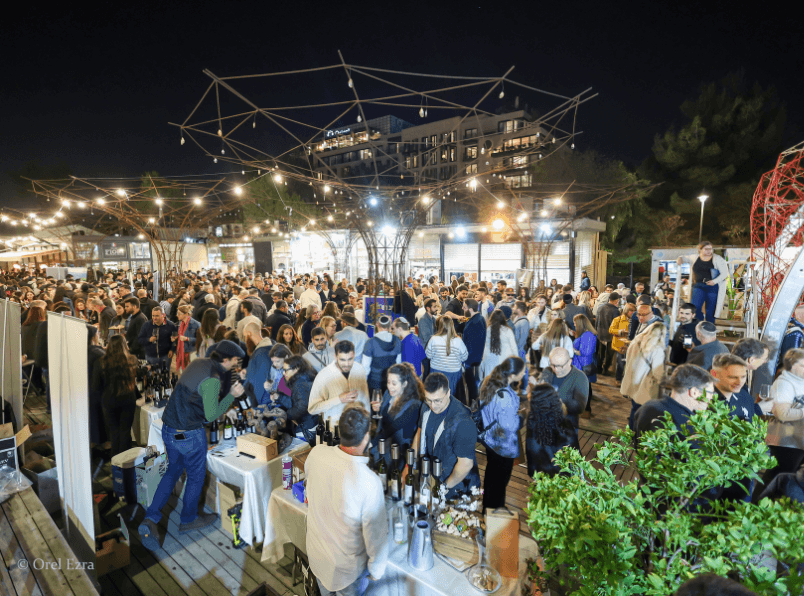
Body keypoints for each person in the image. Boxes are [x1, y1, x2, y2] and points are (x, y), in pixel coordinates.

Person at [139, 340, 245, 550]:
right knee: (196, 476)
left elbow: (196, 396)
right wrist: (232, 396)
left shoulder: (199, 363)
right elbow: (210, 415)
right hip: (189, 433)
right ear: (225, 359)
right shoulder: (213, 379)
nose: (237, 364)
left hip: (170, 429)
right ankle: (188, 519)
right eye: (235, 360)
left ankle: (150, 517)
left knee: (172, 472)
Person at [306, 404, 388, 596]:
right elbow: (376, 537)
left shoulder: (317, 453)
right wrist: (376, 571)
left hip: (317, 556)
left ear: (339, 430)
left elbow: (309, 492)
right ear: (366, 437)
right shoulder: (369, 482)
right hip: (346, 571)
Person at [405, 373, 480, 499]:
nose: (433, 406)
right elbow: (420, 432)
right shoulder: (426, 405)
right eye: (429, 400)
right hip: (433, 475)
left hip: (458, 486)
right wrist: (409, 465)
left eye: (438, 401)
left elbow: (465, 465)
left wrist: (443, 487)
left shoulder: (463, 422)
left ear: (448, 392)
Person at [478, 357, 525, 511]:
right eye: (522, 371)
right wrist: (522, 418)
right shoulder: (506, 395)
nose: (524, 374)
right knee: (500, 483)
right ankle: (495, 513)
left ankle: (487, 509)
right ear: (513, 374)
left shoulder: (488, 383)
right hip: (503, 445)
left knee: (491, 477)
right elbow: (509, 425)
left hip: (490, 441)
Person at [633, 363, 714, 446]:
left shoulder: (647, 406)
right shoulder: (687, 424)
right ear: (694, 392)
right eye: (710, 392)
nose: (711, 397)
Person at [92, 335, 143, 457]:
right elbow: (136, 377)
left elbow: (96, 386)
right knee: (125, 432)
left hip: (109, 401)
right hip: (127, 400)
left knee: (114, 433)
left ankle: (116, 464)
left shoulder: (100, 362)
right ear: (124, 345)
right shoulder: (131, 360)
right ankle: (126, 463)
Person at [762, 348, 804, 489]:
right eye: (802, 365)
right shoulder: (784, 383)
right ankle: (760, 505)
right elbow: (782, 414)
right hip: (784, 438)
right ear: (791, 365)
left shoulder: (798, 381)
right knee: (778, 476)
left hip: (796, 438)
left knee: (787, 475)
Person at [369, 363, 423, 470]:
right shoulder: (388, 394)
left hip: (397, 451)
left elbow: (392, 428)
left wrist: (369, 444)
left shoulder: (413, 405)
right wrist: (377, 410)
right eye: (388, 382)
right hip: (381, 442)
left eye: (394, 383)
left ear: (404, 384)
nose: (389, 386)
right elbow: (383, 420)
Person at [308, 340, 370, 425]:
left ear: (354, 355)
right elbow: (312, 409)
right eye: (342, 360)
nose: (347, 364)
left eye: (350, 359)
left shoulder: (359, 369)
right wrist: (339, 399)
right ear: (335, 356)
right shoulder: (324, 376)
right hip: (335, 430)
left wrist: (368, 422)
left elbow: (365, 399)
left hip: (358, 428)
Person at [526, 383, 579, 477]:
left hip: (544, 476)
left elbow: (531, 451)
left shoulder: (533, 423)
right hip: (564, 475)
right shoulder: (565, 424)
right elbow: (575, 451)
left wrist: (532, 472)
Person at [621, 321, 667, 430]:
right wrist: (666, 381)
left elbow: (628, 358)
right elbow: (658, 373)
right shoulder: (657, 349)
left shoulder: (636, 341)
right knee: (643, 412)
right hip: (644, 385)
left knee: (634, 408)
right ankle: (636, 436)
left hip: (632, 380)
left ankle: (631, 433)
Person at [676, 241, 729, 323]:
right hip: (698, 285)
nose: (709, 251)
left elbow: (725, 273)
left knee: (710, 310)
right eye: (706, 249)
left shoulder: (717, 259)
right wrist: (680, 258)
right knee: (695, 307)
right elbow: (684, 257)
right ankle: (697, 326)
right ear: (700, 249)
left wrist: (714, 281)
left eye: (710, 249)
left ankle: (709, 330)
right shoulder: (695, 257)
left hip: (712, 287)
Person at [539, 347, 589, 429]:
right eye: (552, 365)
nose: (556, 369)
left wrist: (558, 401)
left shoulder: (580, 377)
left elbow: (580, 407)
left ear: (569, 362)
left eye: (560, 366)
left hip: (567, 427)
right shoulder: (547, 371)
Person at [425, 316, 468, 396]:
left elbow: (428, 355)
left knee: (437, 395)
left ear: (439, 326)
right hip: (454, 374)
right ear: (452, 326)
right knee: (451, 397)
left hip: (436, 372)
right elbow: (465, 357)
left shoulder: (433, 339)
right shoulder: (458, 341)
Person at [362, 315, 402, 393]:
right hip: (391, 382)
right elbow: (398, 363)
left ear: (377, 325)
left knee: (375, 403)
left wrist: (364, 383)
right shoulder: (397, 341)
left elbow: (365, 367)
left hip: (374, 382)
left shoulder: (370, 342)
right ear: (390, 326)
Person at [282, 355, 318, 439]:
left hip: (306, 427)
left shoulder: (300, 383)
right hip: (313, 422)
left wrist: (287, 415)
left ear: (296, 369)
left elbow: (302, 406)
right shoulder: (306, 377)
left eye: (285, 370)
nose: (283, 373)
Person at [480, 309, 519, 379]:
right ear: (503, 318)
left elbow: (484, 347)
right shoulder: (508, 330)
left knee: (490, 381)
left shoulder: (488, 330)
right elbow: (514, 348)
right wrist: (516, 362)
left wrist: (483, 362)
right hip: (505, 360)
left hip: (490, 359)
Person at [461, 299, 486, 405]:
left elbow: (471, 345)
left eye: (464, 307)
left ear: (470, 309)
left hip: (471, 361)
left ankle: (473, 407)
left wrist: (466, 361)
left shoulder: (474, 323)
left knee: (472, 387)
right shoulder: (479, 319)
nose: (462, 308)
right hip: (475, 359)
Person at [572, 314, 597, 416]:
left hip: (583, 365)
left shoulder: (588, 335)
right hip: (582, 364)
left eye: (575, 323)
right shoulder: (586, 334)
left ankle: (586, 409)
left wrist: (572, 349)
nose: (574, 324)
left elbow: (585, 352)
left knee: (585, 388)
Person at [595, 291, 620, 376]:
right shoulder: (615, 310)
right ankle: (605, 370)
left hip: (600, 333)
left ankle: (598, 369)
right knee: (609, 354)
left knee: (600, 353)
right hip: (610, 335)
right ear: (616, 300)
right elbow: (616, 325)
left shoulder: (600, 307)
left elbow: (597, 321)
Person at [174, 305, 201, 373]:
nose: (177, 315)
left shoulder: (196, 324)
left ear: (186, 314)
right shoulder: (181, 324)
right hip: (182, 351)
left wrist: (187, 339)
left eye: (179, 313)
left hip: (192, 352)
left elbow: (200, 340)